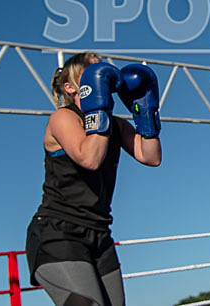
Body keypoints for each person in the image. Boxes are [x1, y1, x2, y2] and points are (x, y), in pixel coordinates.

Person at [25, 52, 162, 305]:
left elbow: (151, 157)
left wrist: (146, 113)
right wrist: (98, 108)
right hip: (58, 232)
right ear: (70, 86)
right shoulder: (63, 117)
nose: (104, 74)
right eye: (92, 71)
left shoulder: (116, 125)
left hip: (99, 234)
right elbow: (90, 158)